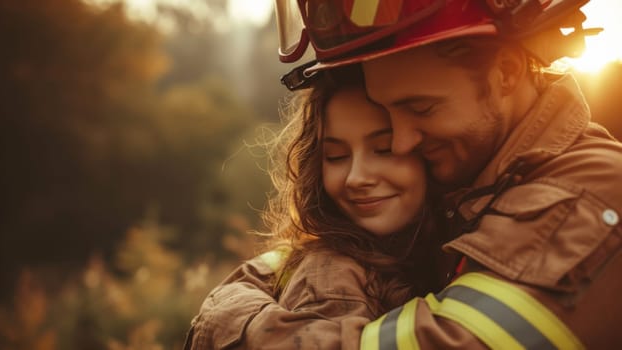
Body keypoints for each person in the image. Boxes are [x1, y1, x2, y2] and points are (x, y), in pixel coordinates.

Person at [187, 0, 622, 348]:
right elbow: (285, 262)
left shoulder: (584, 197)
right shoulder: (474, 178)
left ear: (505, 73)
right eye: (388, 110)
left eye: (420, 108)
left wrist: (228, 321)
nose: (402, 141)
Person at [185, 66, 449, 349]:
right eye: (335, 156)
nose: (356, 178)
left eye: (384, 149)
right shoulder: (331, 276)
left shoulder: (436, 250)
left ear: (430, 150)